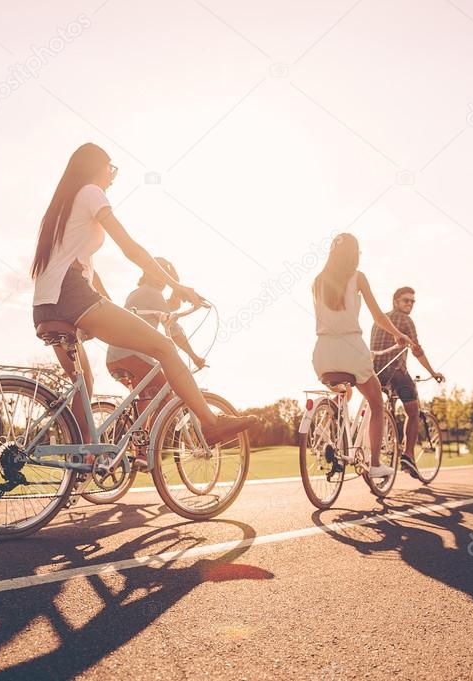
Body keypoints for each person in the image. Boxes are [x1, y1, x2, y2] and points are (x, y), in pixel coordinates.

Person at [31, 142, 256, 447]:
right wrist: (176, 286)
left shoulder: (60, 209)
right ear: (95, 168)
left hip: (45, 306)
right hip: (70, 296)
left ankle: (83, 455)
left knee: (83, 381)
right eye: (110, 168)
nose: (112, 175)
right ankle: (211, 423)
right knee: (163, 347)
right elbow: (130, 248)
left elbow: (86, 271)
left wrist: (107, 304)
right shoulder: (90, 193)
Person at [311, 233, 414, 479]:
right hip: (351, 349)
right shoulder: (358, 278)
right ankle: (375, 463)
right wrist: (399, 334)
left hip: (323, 352)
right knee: (377, 402)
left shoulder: (317, 281)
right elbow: (378, 316)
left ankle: (335, 436)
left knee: (343, 392)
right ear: (353, 254)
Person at [106, 257, 207, 468]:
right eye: (164, 276)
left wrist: (174, 299)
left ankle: (131, 444)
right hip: (133, 355)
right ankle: (143, 451)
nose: (165, 281)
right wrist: (195, 356)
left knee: (147, 396)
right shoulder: (152, 294)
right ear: (153, 274)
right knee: (164, 394)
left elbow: (162, 310)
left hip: (116, 356)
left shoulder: (139, 293)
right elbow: (175, 331)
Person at [370, 286, 445, 478]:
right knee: (413, 412)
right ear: (395, 301)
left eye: (412, 301)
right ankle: (408, 456)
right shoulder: (405, 320)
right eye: (406, 300)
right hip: (396, 372)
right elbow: (417, 350)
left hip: (375, 373)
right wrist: (432, 372)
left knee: (379, 411)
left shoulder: (378, 320)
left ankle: (380, 448)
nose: (409, 304)